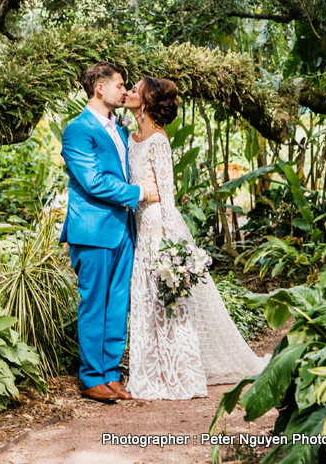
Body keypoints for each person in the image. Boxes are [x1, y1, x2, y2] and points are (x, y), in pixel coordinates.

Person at [123, 76, 269, 400]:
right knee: (146, 300)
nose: (129, 93)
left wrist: (175, 250)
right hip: (138, 229)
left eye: (135, 90)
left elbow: (168, 195)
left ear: (146, 101)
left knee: (166, 298)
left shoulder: (158, 140)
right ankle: (151, 371)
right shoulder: (130, 136)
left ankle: (180, 374)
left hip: (158, 227)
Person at [60, 62, 160, 403]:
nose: (124, 90)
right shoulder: (77, 130)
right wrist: (141, 193)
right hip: (92, 230)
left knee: (118, 304)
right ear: (99, 88)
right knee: (94, 304)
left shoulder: (120, 128)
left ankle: (111, 374)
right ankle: (91, 378)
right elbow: (92, 182)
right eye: (119, 84)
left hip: (122, 230)